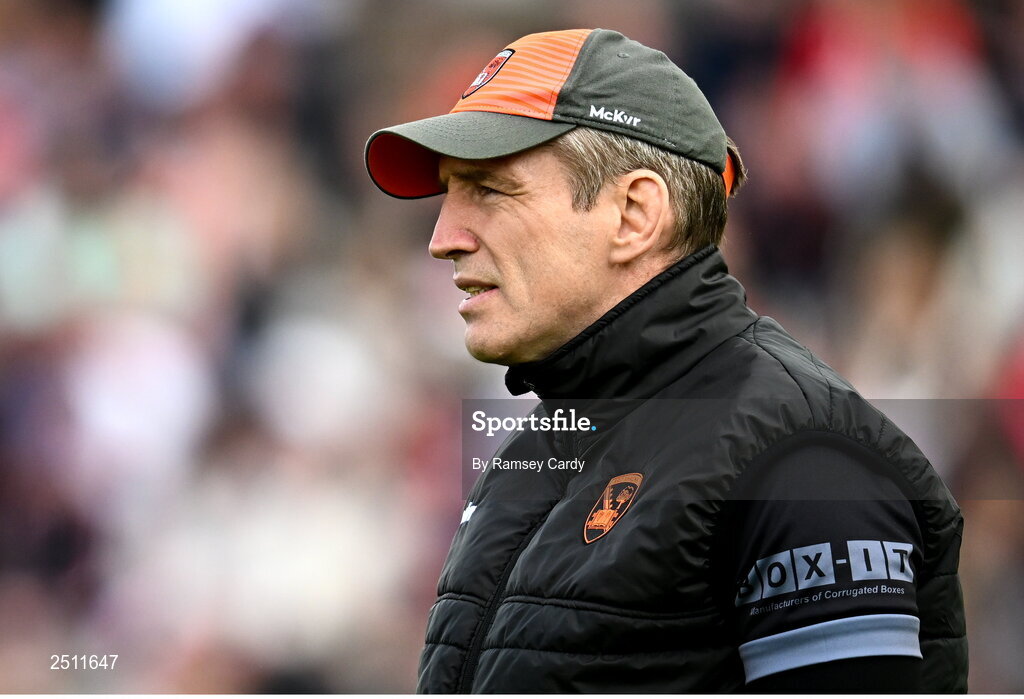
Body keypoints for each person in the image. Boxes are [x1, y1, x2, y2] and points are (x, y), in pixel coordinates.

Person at [364, 28, 967, 693]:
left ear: (634, 214)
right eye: (449, 193)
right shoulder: (538, 450)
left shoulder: (804, 460)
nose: (442, 239)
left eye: (489, 190)